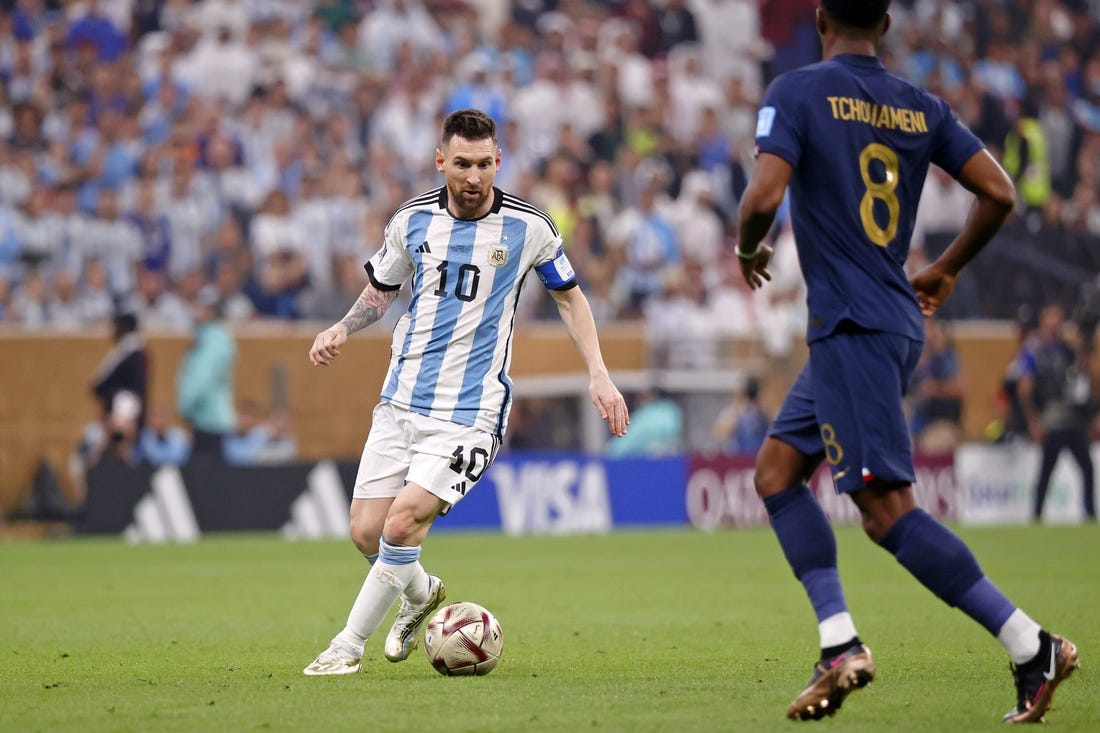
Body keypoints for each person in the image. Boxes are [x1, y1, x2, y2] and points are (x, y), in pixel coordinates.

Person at [735, 0, 1078, 723]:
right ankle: (838, 640)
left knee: (888, 513)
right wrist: (947, 266)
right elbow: (1000, 191)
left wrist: (746, 247)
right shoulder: (921, 105)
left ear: (820, 17)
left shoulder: (795, 91)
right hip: (880, 320)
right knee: (776, 472)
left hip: (854, 326)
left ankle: (1030, 644)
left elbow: (763, 195)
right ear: (886, 25)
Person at [302, 109, 630, 675]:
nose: (474, 176)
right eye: (462, 164)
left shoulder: (530, 228)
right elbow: (380, 292)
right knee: (365, 533)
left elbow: (571, 298)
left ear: (498, 161)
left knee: (401, 525)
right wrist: (341, 326)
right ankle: (422, 593)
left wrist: (598, 373)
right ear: (441, 162)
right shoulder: (410, 222)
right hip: (400, 399)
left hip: (470, 412)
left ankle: (346, 647)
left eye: (484, 164)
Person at [1016, 302, 1096, 522]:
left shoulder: (1066, 349)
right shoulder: (1034, 350)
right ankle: (1037, 515)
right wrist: (1033, 421)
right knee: (1046, 472)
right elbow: (1025, 389)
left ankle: (1090, 514)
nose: (1054, 326)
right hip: (1051, 419)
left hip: (1073, 419)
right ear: (1043, 321)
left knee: (1086, 469)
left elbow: (1081, 379)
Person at [176, 292, 237, 460]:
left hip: (208, 420)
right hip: (211, 419)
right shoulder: (214, 339)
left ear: (210, 312)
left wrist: (185, 406)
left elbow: (201, 379)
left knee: (205, 477)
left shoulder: (212, 342)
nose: (196, 312)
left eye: (200, 308)